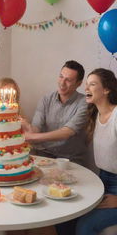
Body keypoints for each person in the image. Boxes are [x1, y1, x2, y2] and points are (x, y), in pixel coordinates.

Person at [22, 60, 88, 166]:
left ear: (78, 84)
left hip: (71, 159)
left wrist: (31, 137)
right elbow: (36, 128)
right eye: (61, 76)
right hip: (44, 155)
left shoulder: (85, 103)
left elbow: (66, 132)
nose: (62, 83)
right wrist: (25, 125)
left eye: (68, 80)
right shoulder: (46, 99)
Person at [76, 68, 117, 235]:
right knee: (70, 215)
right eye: (86, 84)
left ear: (106, 89)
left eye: (92, 84)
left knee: (85, 226)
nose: (86, 88)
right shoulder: (96, 116)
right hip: (102, 180)